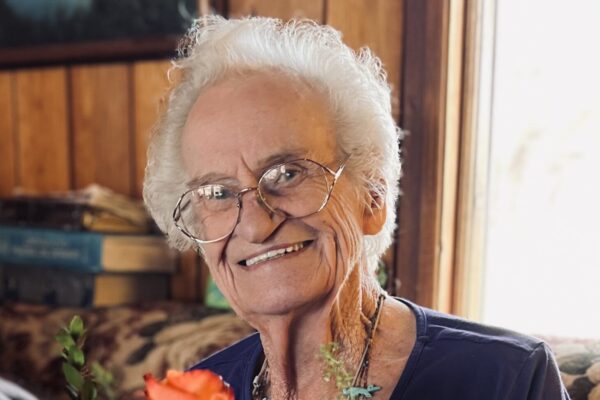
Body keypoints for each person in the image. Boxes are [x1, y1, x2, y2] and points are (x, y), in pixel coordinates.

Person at [143, 16, 569, 400]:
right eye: (217, 193)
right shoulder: (198, 390)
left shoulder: (506, 378)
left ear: (372, 197)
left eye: (287, 173)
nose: (255, 225)